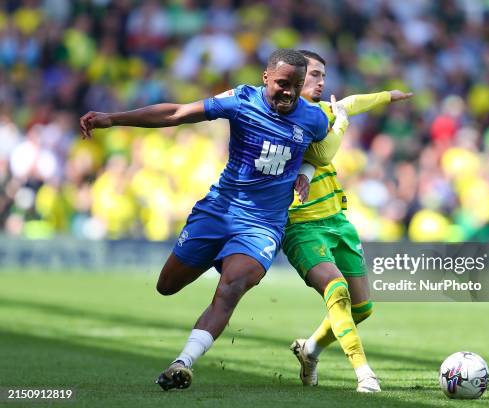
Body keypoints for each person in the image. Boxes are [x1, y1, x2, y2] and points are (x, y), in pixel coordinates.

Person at [79, 49, 347, 391]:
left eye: (296, 85)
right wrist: (113, 119)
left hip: (263, 224)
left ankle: (183, 362)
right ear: (266, 78)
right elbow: (178, 112)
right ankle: (215, 253)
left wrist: (305, 173)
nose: (289, 92)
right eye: (282, 84)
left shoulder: (313, 118)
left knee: (231, 287)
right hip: (218, 211)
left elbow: (319, 153)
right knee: (167, 286)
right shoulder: (241, 100)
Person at [283, 50, 412, 393]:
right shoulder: (286, 115)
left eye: (323, 75)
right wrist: (341, 121)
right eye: (313, 75)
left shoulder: (322, 110)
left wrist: (387, 96)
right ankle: (364, 372)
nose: (321, 81)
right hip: (299, 224)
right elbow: (324, 151)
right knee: (336, 289)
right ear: (292, 77)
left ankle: (310, 349)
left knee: (362, 308)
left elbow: (351, 102)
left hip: (337, 220)